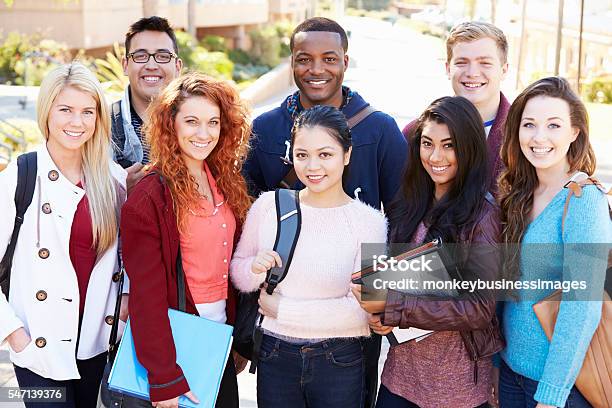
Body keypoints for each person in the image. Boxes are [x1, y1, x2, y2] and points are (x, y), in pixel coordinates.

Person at [243, 17, 406, 407]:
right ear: (292, 62)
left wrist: (392, 302)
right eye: (304, 59)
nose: (316, 70)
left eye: (329, 58)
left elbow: (402, 218)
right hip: (277, 331)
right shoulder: (264, 129)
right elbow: (245, 221)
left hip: (347, 332)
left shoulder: (380, 129)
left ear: (346, 62)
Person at [231, 105, 388, 408]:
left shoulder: (369, 222)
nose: (312, 166)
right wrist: (254, 268)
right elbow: (238, 273)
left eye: (325, 154)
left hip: (339, 360)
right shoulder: (268, 206)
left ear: (347, 155)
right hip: (274, 357)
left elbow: (363, 311)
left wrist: (283, 310)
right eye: (302, 155)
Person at [353, 96, 505, 408]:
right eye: (427, 143)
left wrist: (395, 307)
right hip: (399, 380)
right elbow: (396, 283)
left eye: (449, 145)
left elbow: (478, 309)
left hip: (456, 390)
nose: (436, 156)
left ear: (470, 148)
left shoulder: (484, 216)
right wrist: (381, 317)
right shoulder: (408, 205)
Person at [120, 72, 251, 408]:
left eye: (213, 122)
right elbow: (145, 296)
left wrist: (235, 341)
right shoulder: (150, 197)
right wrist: (164, 378)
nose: (203, 133)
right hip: (174, 351)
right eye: (191, 121)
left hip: (216, 342)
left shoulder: (224, 181)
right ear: (171, 124)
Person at [0, 62, 127, 408]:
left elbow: (126, 257)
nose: (77, 122)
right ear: (47, 111)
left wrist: (124, 307)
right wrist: (14, 334)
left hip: (95, 344)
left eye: (88, 111)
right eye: (66, 110)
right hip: (39, 346)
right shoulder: (21, 174)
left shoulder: (111, 178)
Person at [498, 77, 611, 408]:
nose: (539, 137)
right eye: (529, 124)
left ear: (574, 133)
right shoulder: (518, 193)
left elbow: (582, 307)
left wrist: (551, 395)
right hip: (509, 373)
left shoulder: (583, 201)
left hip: (559, 388)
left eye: (554, 125)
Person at [402, 21, 510, 191]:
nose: (472, 73)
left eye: (485, 63)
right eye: (461, 62)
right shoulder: (415, 133)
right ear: (448, 68)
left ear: (504, 70)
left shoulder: (522, 135)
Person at [111, 16, 183, 191]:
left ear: (178, 67)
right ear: (125, 65)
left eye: (163, 56)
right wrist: (117, 190)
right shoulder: (101, 126)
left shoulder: (198, 123)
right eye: (141, 55)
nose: (152, 64)